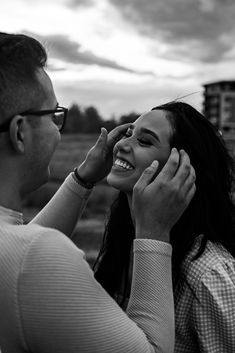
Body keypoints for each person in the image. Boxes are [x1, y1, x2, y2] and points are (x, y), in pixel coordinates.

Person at [0, 32, 196, 353]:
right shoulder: (32, 259)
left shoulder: (17, 256)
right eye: (53, 116)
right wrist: (154, 233)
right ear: (19, 133)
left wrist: (82, 178)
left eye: (144, 139)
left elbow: (17, 258)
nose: (57, 127)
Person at [93, 101, 235, 353]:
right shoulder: (124, 242)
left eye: (144, 141)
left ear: (181, 169)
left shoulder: (207, 273)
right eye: (128, 134)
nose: (121, 145)